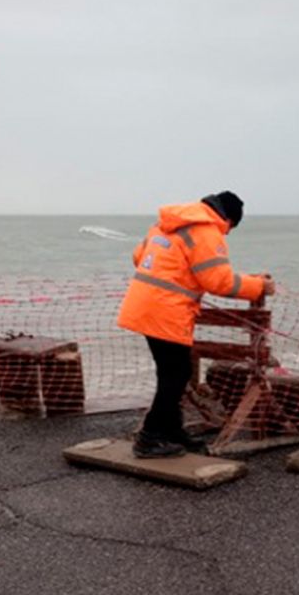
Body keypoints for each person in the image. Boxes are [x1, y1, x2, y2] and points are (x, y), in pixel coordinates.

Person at [117, 191, 274, 457]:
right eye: (231, 228)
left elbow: (138, 256)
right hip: (166, 311)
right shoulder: (206, 231)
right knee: (176, 375)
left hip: (145, 305)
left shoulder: (167, 223)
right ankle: (149, 438)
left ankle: (171, 431)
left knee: (172, 373)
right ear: (229, 218)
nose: (227, 234)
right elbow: (218, 281)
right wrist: (260, 285)